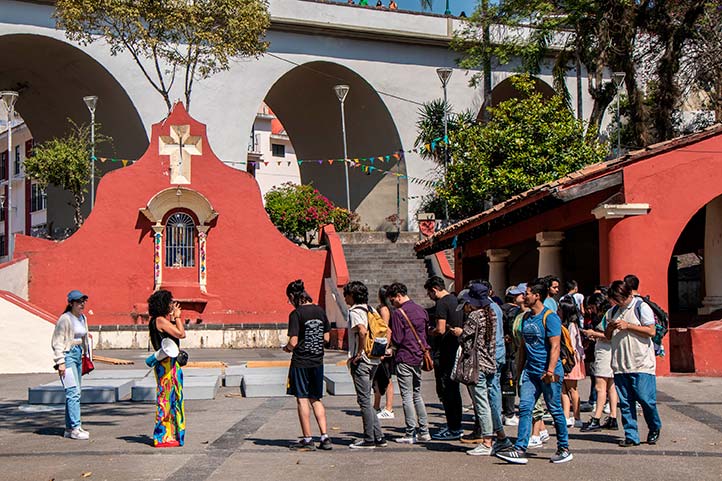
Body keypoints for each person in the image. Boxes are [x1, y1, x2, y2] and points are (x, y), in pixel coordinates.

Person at [496, 278, 573, 465]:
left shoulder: (550, 317)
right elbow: (522, 346)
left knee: (554, 409)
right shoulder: (527, 317)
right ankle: (520, 448)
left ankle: (564, 448)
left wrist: (550, 370)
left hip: (548, 372)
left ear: (537, 296)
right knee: (525, 408)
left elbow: (555, 347)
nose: (524, 296)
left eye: (527, 293)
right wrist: (519, 370)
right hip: (530, 372)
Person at [452, 283, 513, 456]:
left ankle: (487, 441)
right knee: (491, 400)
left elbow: (465, 337)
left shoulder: (474, 316)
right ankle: (501, 436)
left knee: (481, 403)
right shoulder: (493, 313)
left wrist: (459, 332)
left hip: (476, 364)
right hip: (490, 361)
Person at [605, 280, 662, 447]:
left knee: (646, 398)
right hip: (620, 363)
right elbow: (608, 336)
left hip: (641, 362)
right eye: (615, 299)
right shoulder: (612, 311)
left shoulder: (641, 307)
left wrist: (628, 325)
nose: (619, 302)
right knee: (625, 402)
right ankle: (631, 435)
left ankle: (654, 426)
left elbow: (651, 331)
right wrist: (610, 328)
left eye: (621, 299)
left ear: (629, 294)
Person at [283, 280, 332, 451]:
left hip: (301, 362)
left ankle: (307, 438)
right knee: (315, 399)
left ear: (292, 296)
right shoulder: (320, 311)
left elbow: (293, 341)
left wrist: (287, 348)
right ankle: (325, 436)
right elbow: (326, 339)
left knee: (302, 399)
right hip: (318, 361)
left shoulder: (296, 314)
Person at [385, 282, 431, 444]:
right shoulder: (421, 310)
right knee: (417, 395)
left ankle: (410, 432)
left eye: (392, 300)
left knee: (407, 396)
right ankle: (424, 430)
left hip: (404, 356)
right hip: (419, 356)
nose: (392, 303)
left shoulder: (399, 313)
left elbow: (397, 338)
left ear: (398, 296)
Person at [344, 280, 387, 449]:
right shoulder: (371, 309)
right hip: (374, 358)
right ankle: (379, 437)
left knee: (363, 401)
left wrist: (358, 353)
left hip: (363, 360)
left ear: (352, 295)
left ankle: (369, 438)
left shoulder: (354, 311)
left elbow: (361, 331)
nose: (345, 298)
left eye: (346, 295)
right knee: (367, 401)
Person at [424, 276, 464, 440]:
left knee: (446, 389)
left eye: (429, 293)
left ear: (434, 289)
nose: (429, 297)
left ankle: (453, 427)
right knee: (455, 390)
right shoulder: (456, 300)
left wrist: (430, 331)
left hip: (445, 350)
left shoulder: (442, 304)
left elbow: (440, 329)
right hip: (457, 348)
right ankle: (457, 425)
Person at [51, 290, 92, 440]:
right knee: (72, 392)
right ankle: (75, 427)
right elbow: (57, 341)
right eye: (78, 302)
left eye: (83, 301)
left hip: (78, 354)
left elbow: (85, 338)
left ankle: (69, 428)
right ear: (71, 303)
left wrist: (87, 355)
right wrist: (60, 361)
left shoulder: (82, 318)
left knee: (76, 392)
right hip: (68, 356)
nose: (82, 304)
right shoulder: (65, 319)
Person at [147, 289, 186, 448]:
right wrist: (177, 317)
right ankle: (162, 435)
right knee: (166, 399)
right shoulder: (160, 321)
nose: (172, 305)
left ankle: (168, 433)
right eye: (170, 302)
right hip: (167, 364)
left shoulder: (157, 321)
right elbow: (180, 334)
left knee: (170, 397)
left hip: (165, 363)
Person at [580, 292, 618, 432]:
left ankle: (596, 418)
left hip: (605, 352)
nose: (590, 310)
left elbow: (608, 336)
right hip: (612, 352)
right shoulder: (613, 313)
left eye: (591, 307)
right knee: (611, 386)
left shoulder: (606, 315)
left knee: (600, 386)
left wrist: (593, 333)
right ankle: (613, 417)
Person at [500, 283, 525, 426]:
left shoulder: (501, 309)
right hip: (512, 352)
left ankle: (506, 412)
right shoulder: (514, 313)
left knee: (506, 382)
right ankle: (509, 413)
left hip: (508, 351)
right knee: (510, 382)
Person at [559, 296, 585, 428]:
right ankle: (566, 416)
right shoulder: (565, 325)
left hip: (570, 360)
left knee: (572, 389)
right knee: (563, 389)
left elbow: (574, 346)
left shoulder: (571, 326)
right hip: (566, 359)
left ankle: (577, 416)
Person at [373, 286, 395, 420]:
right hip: (381, 346)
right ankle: (376, 405)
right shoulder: (385, 308)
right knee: (378, 378)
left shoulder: (384, 309)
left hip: (383, 348)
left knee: (386, 379)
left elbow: (386, 330)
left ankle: (388, 407)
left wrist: (383, 348)